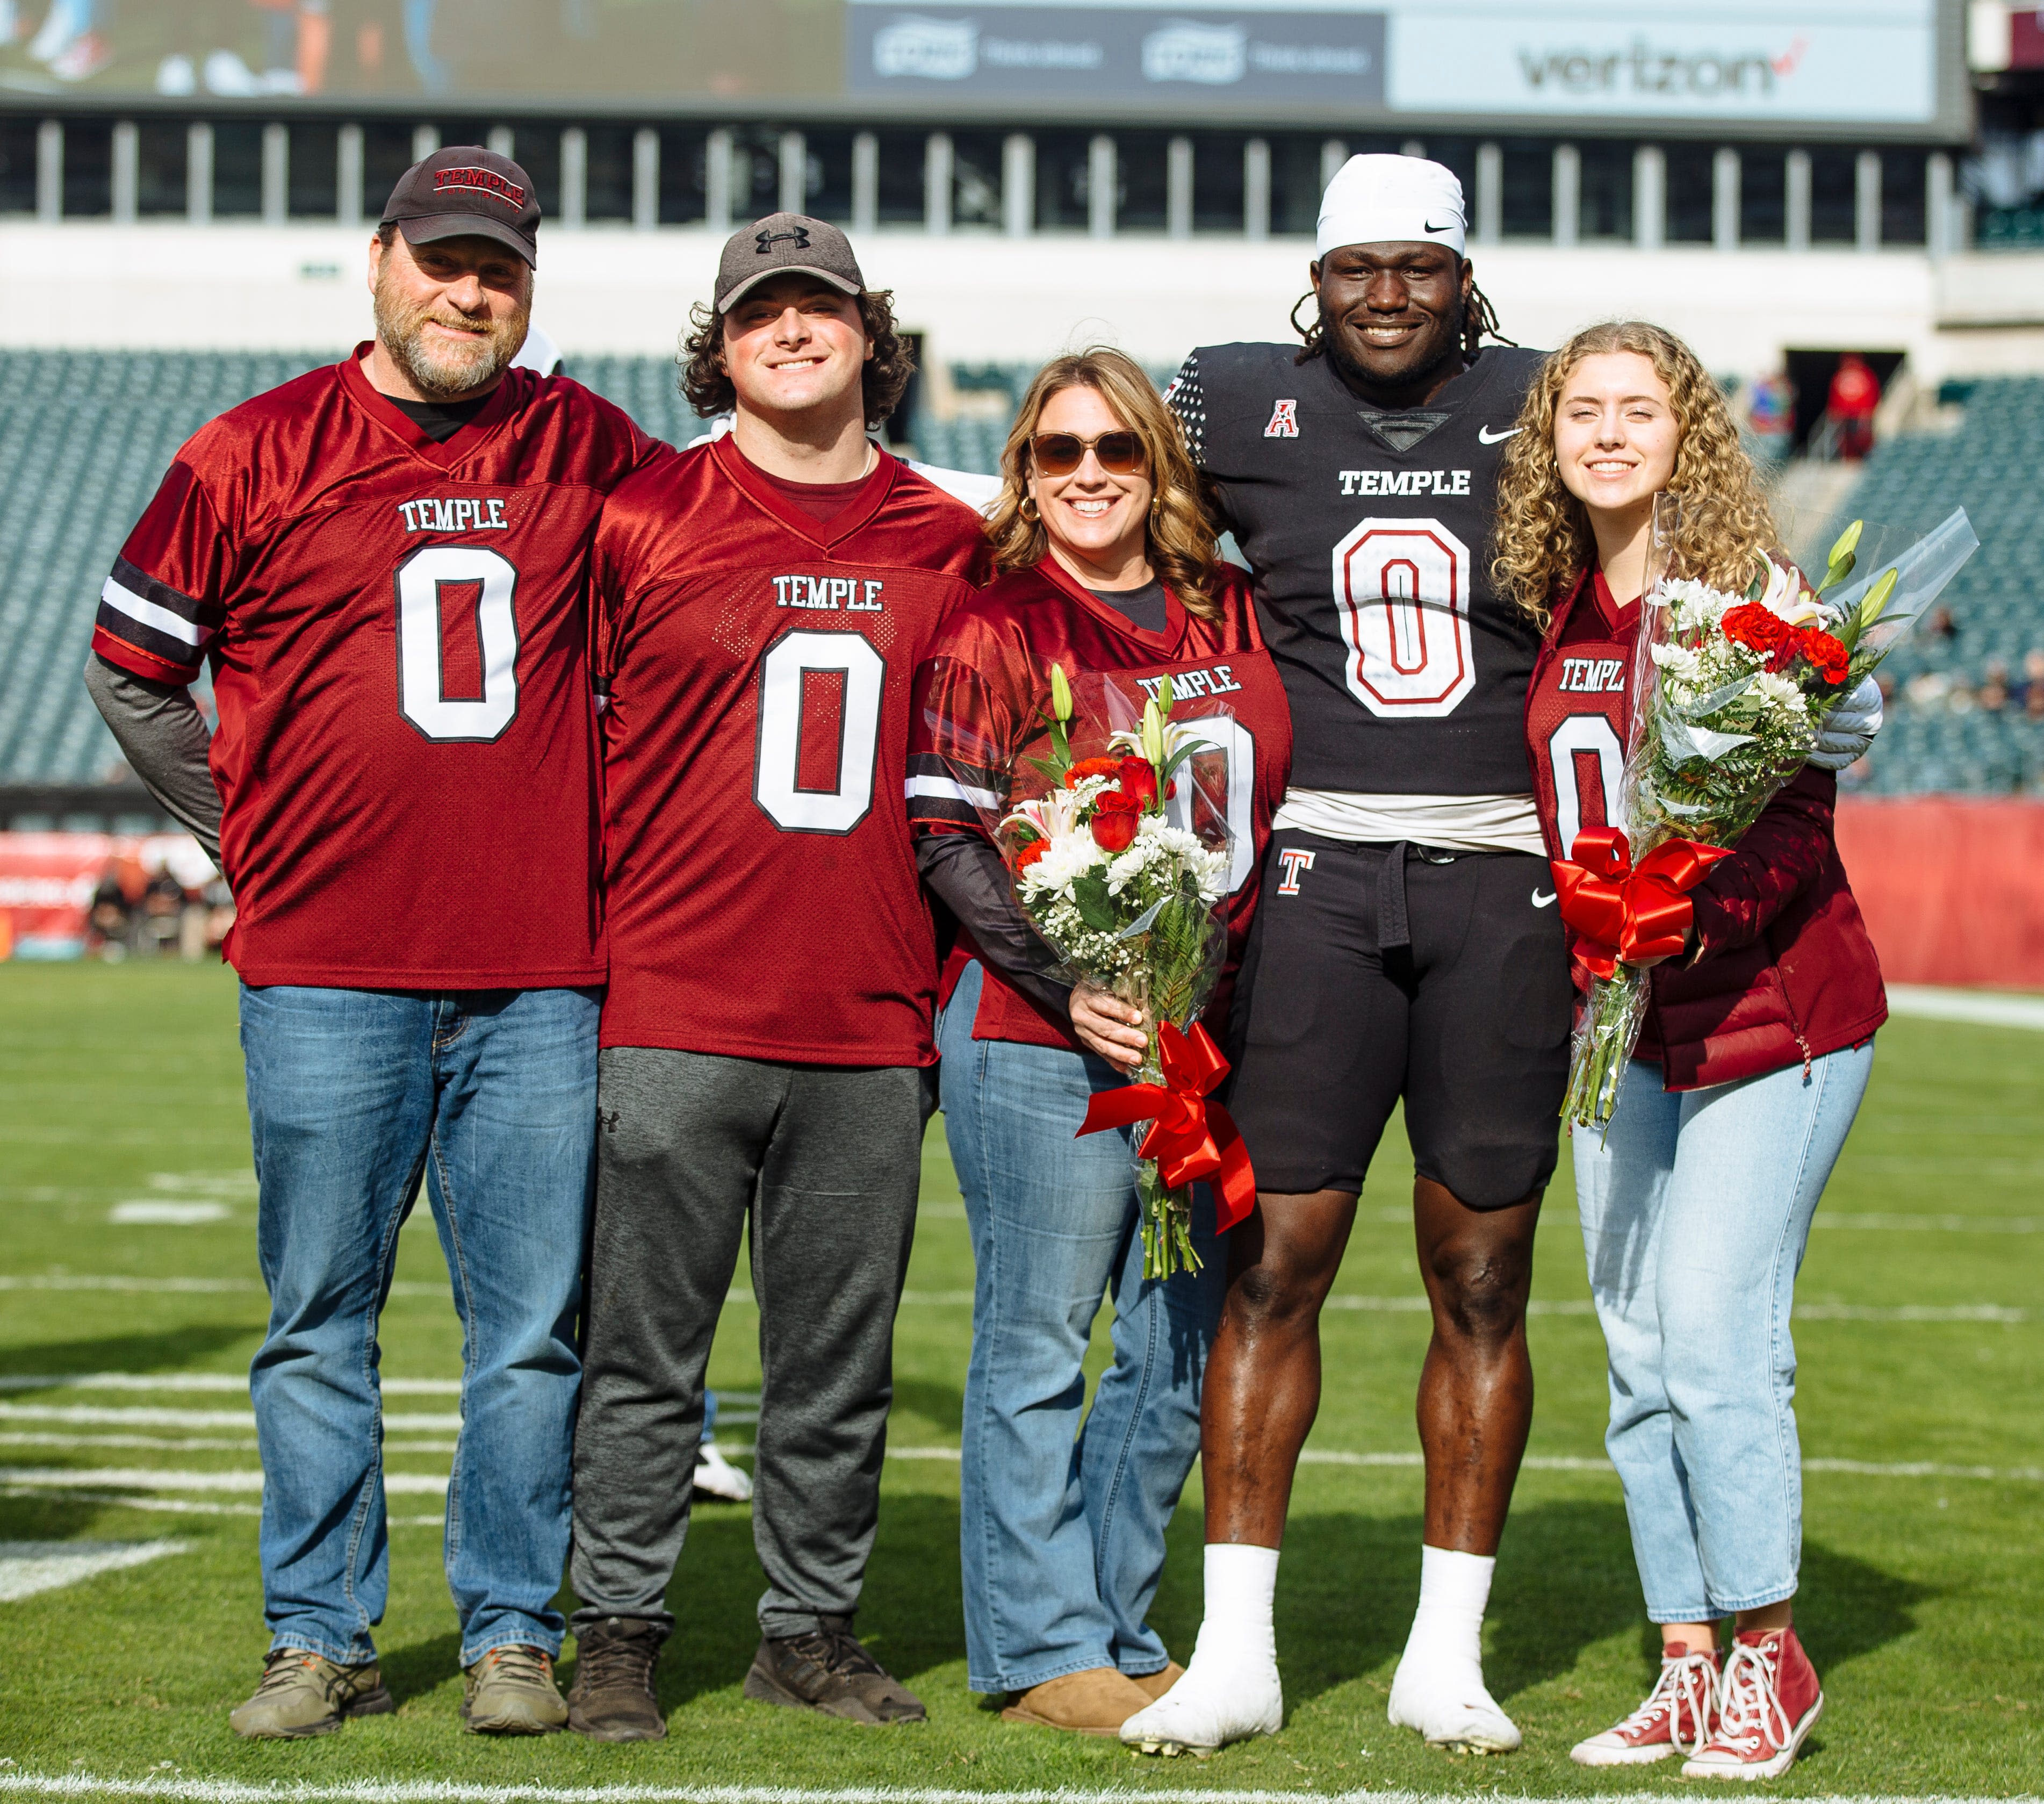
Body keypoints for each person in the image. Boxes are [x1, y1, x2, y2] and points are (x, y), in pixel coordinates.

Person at [1121, 154, 1886, 1760]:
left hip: (1512, 896)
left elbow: (1693, 563)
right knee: (1275, 1261)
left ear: (1463, 275)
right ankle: (1232, 1652)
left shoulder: (1549, 406)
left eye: (1416, 264)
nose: (1384, 291)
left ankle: (1447, 1657)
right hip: (1319, 876)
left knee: (1485, 1275)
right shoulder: (1225, 397)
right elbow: (1105, 523)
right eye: (1354, 267)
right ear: (1311, 279)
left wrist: (1809, 650)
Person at [84, 146, 663, 1739]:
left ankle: (509, 1632)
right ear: (379, 261)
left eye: (498, 270)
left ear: (529, 289)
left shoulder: (589, 445)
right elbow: (131, 665)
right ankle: (318, 1635)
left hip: (543, 968)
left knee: (527, 1334)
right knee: (316, 1318)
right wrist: (243, 829)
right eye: (441, 260)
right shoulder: (252, 449)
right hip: (328, 968)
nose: (466, 292)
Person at [563, 213, 988, 1742]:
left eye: (820, 310)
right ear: (720, 343)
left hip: (871, 1015)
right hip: (674, 1000)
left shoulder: (954, 539)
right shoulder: (635, 516)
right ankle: (614, 1626)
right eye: (761, 314)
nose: (791, 334)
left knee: (834, 1360)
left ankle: (806, 1629)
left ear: (874, 335)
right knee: (640, 1354)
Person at [1497, 320, 1885, 1779]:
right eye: (1579, 411)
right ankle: (1683, 1657)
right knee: (1638, 1355)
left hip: (1768, 1014)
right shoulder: (1557, 606)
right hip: (1622, 1031)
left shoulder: (1745, 599)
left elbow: (1790, 818)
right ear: (1551, 439)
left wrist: (1677, 916)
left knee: (1717, 1336)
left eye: (1635, 410)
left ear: (1686, 434)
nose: (1605, 434)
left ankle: (1769, 1661)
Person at [905, 348, 1291, 1735]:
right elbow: (945, 833)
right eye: (1057, 451)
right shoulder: (993, 619)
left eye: (1117, 450)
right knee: (1040, 1343)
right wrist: (1065, 981)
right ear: (1024, 470)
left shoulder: (1233, 610)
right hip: (1036, 1037)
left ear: (1158, 468)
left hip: (1204, 1036)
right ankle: (1036, 1645)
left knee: (1181, 1343)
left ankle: (1119, 1626)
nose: (1087, 475)